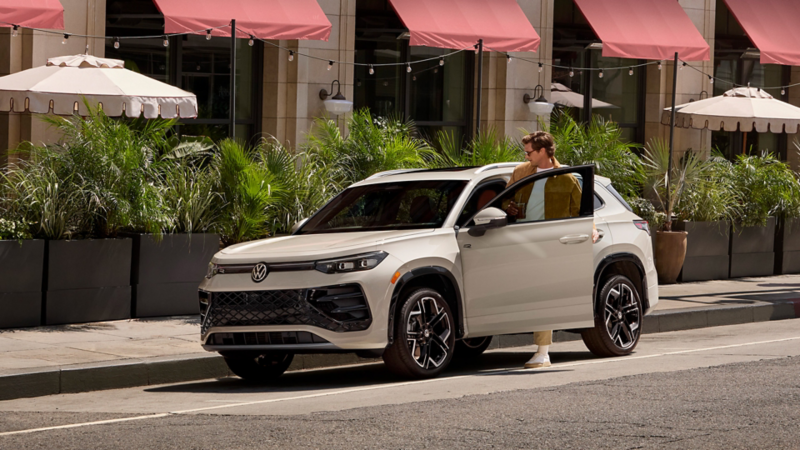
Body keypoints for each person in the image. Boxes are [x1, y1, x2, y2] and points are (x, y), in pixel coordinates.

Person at [504, 131, 598, 369]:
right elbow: (504, 199)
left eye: (529, 152)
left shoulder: (566, 178)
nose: (525, 156)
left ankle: (542, 352)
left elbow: (582, 211)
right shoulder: (520, 172)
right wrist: (509, 207)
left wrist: (592, 230)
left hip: (550, 244)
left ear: (543, 151)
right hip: (520, 240)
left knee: (541, 295)